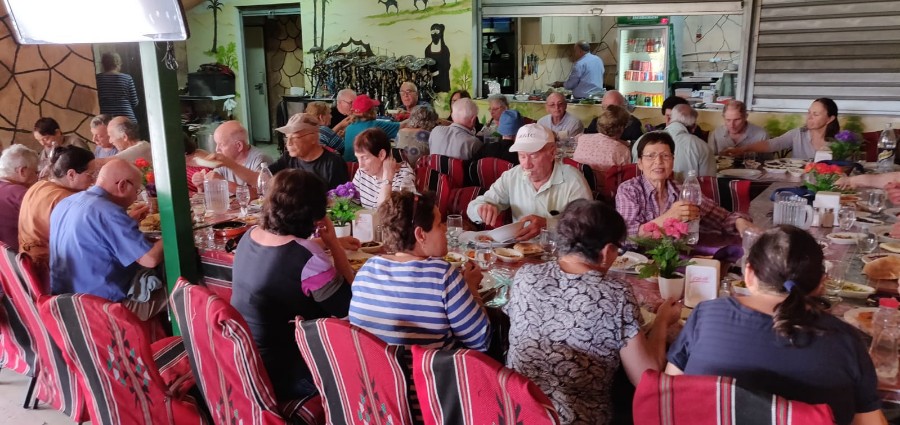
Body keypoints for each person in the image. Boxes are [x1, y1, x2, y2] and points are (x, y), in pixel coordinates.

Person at [666, 226, 886, 425]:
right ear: (821, 283)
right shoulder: (845, 339)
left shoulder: (707, 315)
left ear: (749, 273)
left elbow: (670, 390)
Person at [505, 199, 679, 425]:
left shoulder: (525, 276)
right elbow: (646, 377)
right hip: (574, 418)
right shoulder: (615, 294)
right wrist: (663, 320)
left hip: (513, 411)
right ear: (607, 251)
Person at [231, 169, 355, 403]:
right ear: (314, 213)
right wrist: (334, 245)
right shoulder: (308, 258)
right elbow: (349, 308)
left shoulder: (250, 235)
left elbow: (285, 249)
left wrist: (325, 243)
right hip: (286, 373)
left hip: (248, 360)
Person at [349, 191, 490, 350]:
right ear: (420, 235)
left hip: (373, 372)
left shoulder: (367, 269)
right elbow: (480, 340)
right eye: (438, 224)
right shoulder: (443, 275)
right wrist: (471, 288)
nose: (444, 229)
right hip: (425, 373)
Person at [49, 159, 164, 321]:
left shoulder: (66, 202)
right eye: (137, 191)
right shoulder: (109, 211)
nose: (136, 196)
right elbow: (149, 259)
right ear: (122, 185)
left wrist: (127, 221)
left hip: (65, 301)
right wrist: (171, 232)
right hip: (101, 307)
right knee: (180, 288)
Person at [467, 124, 592, 241]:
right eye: (522, 156)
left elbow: (588, 227)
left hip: (562, 254)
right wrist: (481, 209)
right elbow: (473, 207)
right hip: (520, 252)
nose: (526, 164)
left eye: (534, 156)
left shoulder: (573, 180)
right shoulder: (513, 176)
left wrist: (547, 225)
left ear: (552, 152)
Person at [616, 131, 752, 237]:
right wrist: (671, 216)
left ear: (673, 161)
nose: (658, 162)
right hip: (637, 264)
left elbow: (723, 218)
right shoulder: (629, 190)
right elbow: (628, 235)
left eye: (665, 156)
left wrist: (742, 224)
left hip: (676, 261)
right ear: (639, 163)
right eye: (650, 156)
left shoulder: (683, 191)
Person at [19, 146, 95, 271]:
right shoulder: (68, 200)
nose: (94, 180)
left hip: (26, 262)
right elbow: (87, 241)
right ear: (71, 174)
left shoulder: (38, 185)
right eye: (91, 174)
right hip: (50, 268)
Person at [721, 98, 840, 160]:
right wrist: (743, 149)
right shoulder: (798, 134)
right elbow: (773, 144)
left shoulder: (840, 144)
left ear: (830, 119)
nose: (809, 117)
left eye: (816, 114)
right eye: (808, 112)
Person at [191, 120, 273, 192]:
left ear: (238, 146)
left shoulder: (260, 160)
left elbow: (259, 196)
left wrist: (223, 182)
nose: (217, 149)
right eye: (216, 144)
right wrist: (202, 185)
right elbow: (214, 193)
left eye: (221, 145)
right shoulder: (224, 160)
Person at [352, 128, 415, 209]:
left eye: (365, 158)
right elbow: (352, 203)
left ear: (381, 154)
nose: (360, 166)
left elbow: (386, 213)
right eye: (358, 158)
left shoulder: (404, 177)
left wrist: (387, 179)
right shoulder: (363, 171)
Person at [0, 145, 39, 250]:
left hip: (4, 260)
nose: (37, 177)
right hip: (19, 259)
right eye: (36, 172)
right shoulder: (20, 194)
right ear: (22, 171)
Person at [573, 104, 632, 173]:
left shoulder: (582, 139)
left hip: (578, 181)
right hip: (606, 183)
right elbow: (626, 177)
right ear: (622, 128)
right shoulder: (623, 150)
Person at [342, 94, 400, 162]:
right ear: (371, 110)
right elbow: (403, 125)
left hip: (348, 167)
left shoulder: (349, 127)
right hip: (365, 168)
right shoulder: (375, 125)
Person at [666, 104, 716, 180]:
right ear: (694, 127)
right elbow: (709, 183)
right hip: (688, 191)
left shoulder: (646, 139)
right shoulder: (702, 146)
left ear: (669, 119)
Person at [96, 52, 140, 124]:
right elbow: (134, 102)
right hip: (127, 118)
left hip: (107, 120)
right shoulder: (127, 78)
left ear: (103, 64)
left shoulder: (97, 79)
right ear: (118, 63)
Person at [425, 23, 451, 93]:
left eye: (437, 32)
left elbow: (447, 65)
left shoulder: (445, 49)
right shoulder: (427, 49)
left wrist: (436, 73)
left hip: (443, 81)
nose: (435, 34)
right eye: (433, 32)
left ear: (440, 33)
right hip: (431, 81)